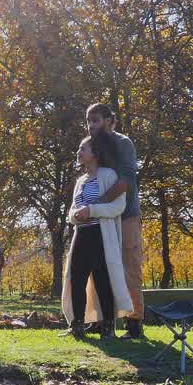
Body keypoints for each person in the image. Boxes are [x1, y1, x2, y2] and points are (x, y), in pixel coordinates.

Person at [61, 132, 133, 338]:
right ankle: (77, 325)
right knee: (76, 279)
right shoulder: (80, 181)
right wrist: (75, 216)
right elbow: (73, 210)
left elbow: (118, 205)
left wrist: (91, 211)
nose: (79, 152)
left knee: (103, 279)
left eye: (83, 148)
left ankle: (109, 327)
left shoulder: (109, 175)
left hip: (101, 235)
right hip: (81, 235)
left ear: (95, 153)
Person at [86, 103, 145, 339]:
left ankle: (134, 323)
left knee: (130, 267)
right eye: (89, 121)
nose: (91, 126)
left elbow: (126, 181)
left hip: (126, 214)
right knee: (96, 267)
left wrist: (99, 204)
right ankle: (99, 320)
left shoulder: (123, 144)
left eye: (96, 120)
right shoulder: (90, 145)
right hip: (100, 218)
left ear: (110, 120)